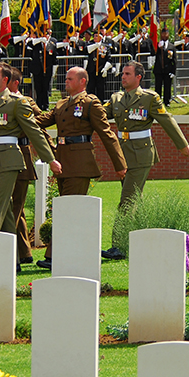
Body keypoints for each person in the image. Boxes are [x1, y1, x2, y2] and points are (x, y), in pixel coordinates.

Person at [35, 66, 127, 270]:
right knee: (67, 210)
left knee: (66, 210)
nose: (65, 82)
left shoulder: (90, 103)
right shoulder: (61, 104)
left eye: (69, 79)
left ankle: (53, 256)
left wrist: (120, 165)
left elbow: (106, 134)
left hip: (80, 163)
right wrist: (19, 117)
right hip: (62, 162)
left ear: (82, 81)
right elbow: (40, 122)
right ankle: (74, 251)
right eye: (65, 79)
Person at [0, 63, 60, 239]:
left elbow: (34, 132)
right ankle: (13, 259)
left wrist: (50, 159)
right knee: (6, 210)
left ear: (5, 80)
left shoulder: (17, 103)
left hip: (8, 160)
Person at [104, 59, 189, 209]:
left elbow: (167, 120)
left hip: (141, 154)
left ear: (138, 77)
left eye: (127, 74)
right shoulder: (116, 98)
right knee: (135, 198)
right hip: (122, 153)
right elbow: (100, 115)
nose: (123, 77)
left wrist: (182, 145)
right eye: (122, 74)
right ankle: (141, 229)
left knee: (127, 201)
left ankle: (120, 233)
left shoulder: (149, 98)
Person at [7, 67, 50, 265]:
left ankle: (8, 251)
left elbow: (40, 125)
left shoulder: (25, 102)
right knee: (18, 209)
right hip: (4, 155)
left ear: (15, 83)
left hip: (21, 155)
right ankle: (24, 252)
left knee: (14, 207)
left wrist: (51, 149)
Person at [27, 32, 58, 110]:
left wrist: (54, 70)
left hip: (47, 69)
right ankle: (39, 105)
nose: (46, 36)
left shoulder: (52, 44)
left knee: (46, 88)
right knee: (38, 88)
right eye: (45, 34)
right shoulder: (37, 43)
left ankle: (46, 105)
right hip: (37, 70)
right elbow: (30, 44)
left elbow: (54, 57)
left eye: (47, 34)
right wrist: (39, 39)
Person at [153, 28, 176, 105]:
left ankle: (167, 101)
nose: (165, 35)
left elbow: (174, 60)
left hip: (167, 70)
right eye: (163, 34)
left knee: (167, 87)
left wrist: (173, 72)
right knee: (158, 87)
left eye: (166, 33)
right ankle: (157, 102)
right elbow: (154, 54)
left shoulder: (171, 46)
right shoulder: (158, 45)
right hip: (159, 70)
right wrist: (159, 48)